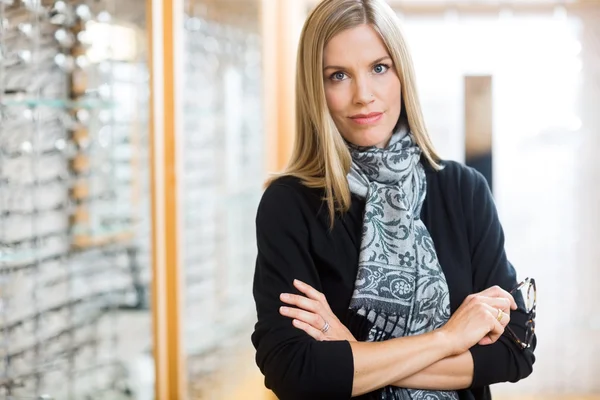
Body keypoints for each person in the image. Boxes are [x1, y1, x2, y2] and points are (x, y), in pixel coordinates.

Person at [251, 0, 536, 399]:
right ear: (316, 89)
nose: (363, 95)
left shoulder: (462, 189)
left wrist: (356, 355)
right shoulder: (290, 205)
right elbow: (294, 372)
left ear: (402, 73)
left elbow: (515, 350)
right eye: (338, 76)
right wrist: (450, 338)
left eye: (379, 68)